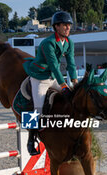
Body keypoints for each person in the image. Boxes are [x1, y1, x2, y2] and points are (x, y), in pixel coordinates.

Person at [23, 11, 78, 155]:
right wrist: (63, 85)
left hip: (53, 77)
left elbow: (71, 64)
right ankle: (30, 140)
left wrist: (74, 82)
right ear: (56, 27)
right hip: (39, 77)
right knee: (38, 109)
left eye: (69, 25)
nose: (68, 28)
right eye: (65, 25)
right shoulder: (48, 43)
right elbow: (54, 65)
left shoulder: (69, 42)